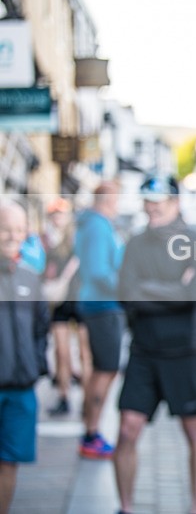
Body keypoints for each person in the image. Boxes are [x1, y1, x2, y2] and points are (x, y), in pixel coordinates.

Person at [115, 175, 196, 514]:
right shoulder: (136, 244)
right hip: (143, 351)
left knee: (194, 430)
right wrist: (170, 290)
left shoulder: (195, 242)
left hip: (183, 352)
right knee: (127, 430)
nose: (151, 209)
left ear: (175, 203)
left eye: (159, 203)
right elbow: (126, 294)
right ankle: (125, 507)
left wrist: (147, 288)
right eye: (148, 203)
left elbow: (190, 296)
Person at [0, 200, 50, 514]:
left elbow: (41, 328)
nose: (12, 236)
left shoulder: (30, 278)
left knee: (10, 463)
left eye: (19, 229)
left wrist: (36, 366)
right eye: (5, 229)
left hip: (21, 390)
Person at [74, 181, 125, 459]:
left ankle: (90, 430)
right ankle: (91, 433)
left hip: (99, 304)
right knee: (106, 369)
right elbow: (98, 271)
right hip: (102, 306)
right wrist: (127, 288)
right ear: (108, 199)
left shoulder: (95, 224)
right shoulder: (97, 226)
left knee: (102, 369)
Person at [42, 198, 92, 416]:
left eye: (60, 214)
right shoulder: (47, 239)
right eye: (54, 214)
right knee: (61, 351)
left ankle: (87, 400)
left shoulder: (76, 236)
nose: (57, 218)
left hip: (79, 298)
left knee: (84, 352)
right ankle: (64, 395)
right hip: (60, 301)